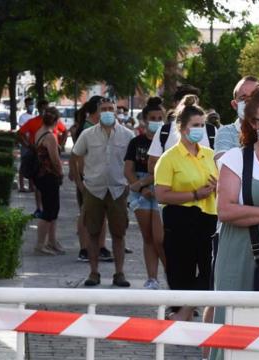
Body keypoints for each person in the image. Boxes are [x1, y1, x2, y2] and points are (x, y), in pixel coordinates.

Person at [211, 87, 259, 356]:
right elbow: (226, 210)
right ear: (254, 124)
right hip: (242, 256)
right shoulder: (237, 158)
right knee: (234, 334)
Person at [154, 95, 218, 321]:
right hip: (180, 218)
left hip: (209, 218)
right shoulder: (169, 158)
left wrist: (216, 186)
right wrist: (194, 194)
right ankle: (183, 312)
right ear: (181, 128)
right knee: (181, 271)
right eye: (195, 125)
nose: (199, 129)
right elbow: (161, 194)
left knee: (210, 271)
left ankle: (185, 311)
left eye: (202, 125)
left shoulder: (210, 155)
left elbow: (223, 184)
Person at [71, 98, 135, 287]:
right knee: (92, 232)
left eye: (110, 109)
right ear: (98, 112)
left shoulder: (127, 135)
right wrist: (80, 184)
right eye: (104, 109)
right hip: (93, 189)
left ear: (116, 111)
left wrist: (130, 184)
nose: (107, 112)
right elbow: (75, 156)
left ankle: (119, 273)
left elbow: (133, 163)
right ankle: (93, 273)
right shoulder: (87, 134)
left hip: (118, 189)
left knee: (119, 233)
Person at [124, 97, 166, 290]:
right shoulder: (136, 142)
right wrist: (141, 188)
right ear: (145, 119)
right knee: (148, 238)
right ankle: (152, 278)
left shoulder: (169, 141)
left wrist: (147, 184)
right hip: (141, 194)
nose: (157, 120)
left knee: (161, 240)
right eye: (153, 117)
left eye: (160, 117)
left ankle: (172, 277)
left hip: (162, 190)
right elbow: (128, 170)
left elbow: (161, 170)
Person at [147, 85, 215, 176]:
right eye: (186, 102)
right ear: (176, 104)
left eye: (193, 102)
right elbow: (152, 166)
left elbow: (219, 165)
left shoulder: (212, 131)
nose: (189, 106)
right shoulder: (164, 131)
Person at [18, 99, 67, 218]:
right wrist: (28, 145)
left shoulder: (47, 127)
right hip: (44, 164)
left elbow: (65, 131)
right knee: (50, 209)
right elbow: (20, 133)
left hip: (46, 161)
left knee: (48, 206)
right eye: (43, 108)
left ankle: (43, 213)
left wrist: (61, 144)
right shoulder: (35, 123)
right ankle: (39, 208)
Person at [32, 107, 64, 256]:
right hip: (49, 176)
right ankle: (40, 244)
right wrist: (61, 172)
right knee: (49, 211)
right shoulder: (50, 136)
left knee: (53, 209)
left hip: (41, 176)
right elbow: (55, 159)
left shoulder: (39, 132)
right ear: (56, 121)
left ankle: (52, 241)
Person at [214, 76, 259, 160]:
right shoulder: (226, 133)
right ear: (235, 105)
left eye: (255, 96)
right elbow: (222, 165)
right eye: (243, 98)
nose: (249, 102)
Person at [18, 97, 36, 192]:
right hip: (26, 145)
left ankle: (31, 186)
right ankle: (21, 186)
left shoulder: (34, 117)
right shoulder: (22, 117)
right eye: (29, 104)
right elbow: (21, 132)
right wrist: (26, 143)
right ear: (26, 105)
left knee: (32, 164)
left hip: (33, 144)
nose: (31, 106)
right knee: (24, 164)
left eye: (32, 104)